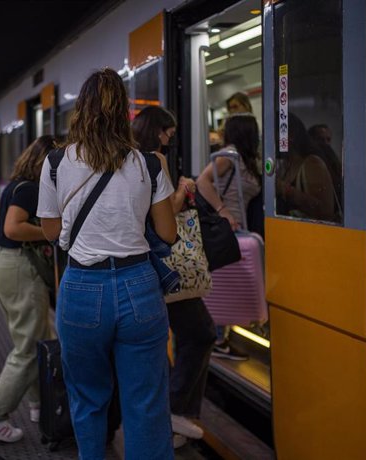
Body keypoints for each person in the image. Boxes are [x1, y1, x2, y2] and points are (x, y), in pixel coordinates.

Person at [37, 68, 177, 459]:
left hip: (82, 287)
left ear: (81, 109)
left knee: (87, 400)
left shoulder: (55, 163)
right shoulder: (148, 164)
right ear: (125, 113)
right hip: (139, 286)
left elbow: (50, 231)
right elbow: (167, 233)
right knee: (146, 404)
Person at [133, 106, 216, 449]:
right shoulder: (156, 160)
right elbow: (164, 218)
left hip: (142, 263)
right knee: (202, 333)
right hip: (165, 264)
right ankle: (175, 410)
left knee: (185, 336)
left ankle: (178, 420)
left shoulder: (130, 158)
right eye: (169, 131)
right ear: (158, 131)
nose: (171, 137)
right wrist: (185, 190)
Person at [0, 135, 55, 442]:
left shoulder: (17, 185)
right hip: (19, 266)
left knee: (35, 340)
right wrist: (49, 233)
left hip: (4, 265)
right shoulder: (32, 189)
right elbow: (12, 228)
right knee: (27, 348)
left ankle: (38, 404)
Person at [197, 113, 262, 360]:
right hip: (226, 229)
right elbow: (203, 181)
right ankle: (217, 338)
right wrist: (223, 211)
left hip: (239, 230)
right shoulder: (229, 156)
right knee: (223, 282)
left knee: (229, 281)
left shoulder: (247, 159)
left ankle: (220, 337)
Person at [277, 113, 338, 221]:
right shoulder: (285, 165)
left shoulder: (312, 163)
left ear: (290, 136)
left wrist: (285, 190)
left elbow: (325, 212)